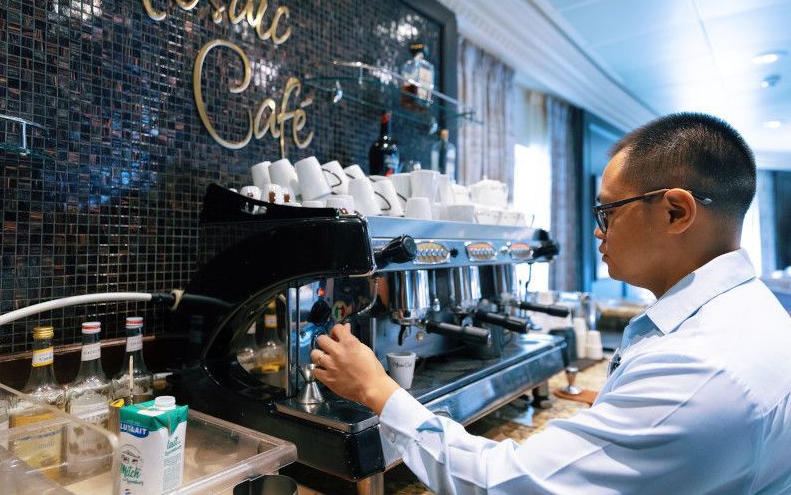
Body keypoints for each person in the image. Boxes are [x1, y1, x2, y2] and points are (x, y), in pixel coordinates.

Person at [311, 113, 791, 494]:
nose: (597, 231)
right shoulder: (752, 312)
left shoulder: (701, 371)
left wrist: (377, 389)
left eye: (607, 211)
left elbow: (508, 483)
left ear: (676, 211)